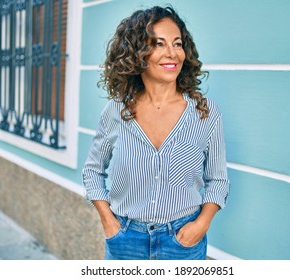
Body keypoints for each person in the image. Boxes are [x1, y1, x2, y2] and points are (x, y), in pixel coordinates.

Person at [82, 5, 229, 260]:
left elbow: (218, 180)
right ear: (137, 54)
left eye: (178, 43)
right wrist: (109, 222)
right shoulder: (116, 111)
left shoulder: (206, 113)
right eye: (159, 44)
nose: (173, 53)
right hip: (125, 240)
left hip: (183, 241)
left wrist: (201, 225)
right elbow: (93, 171)